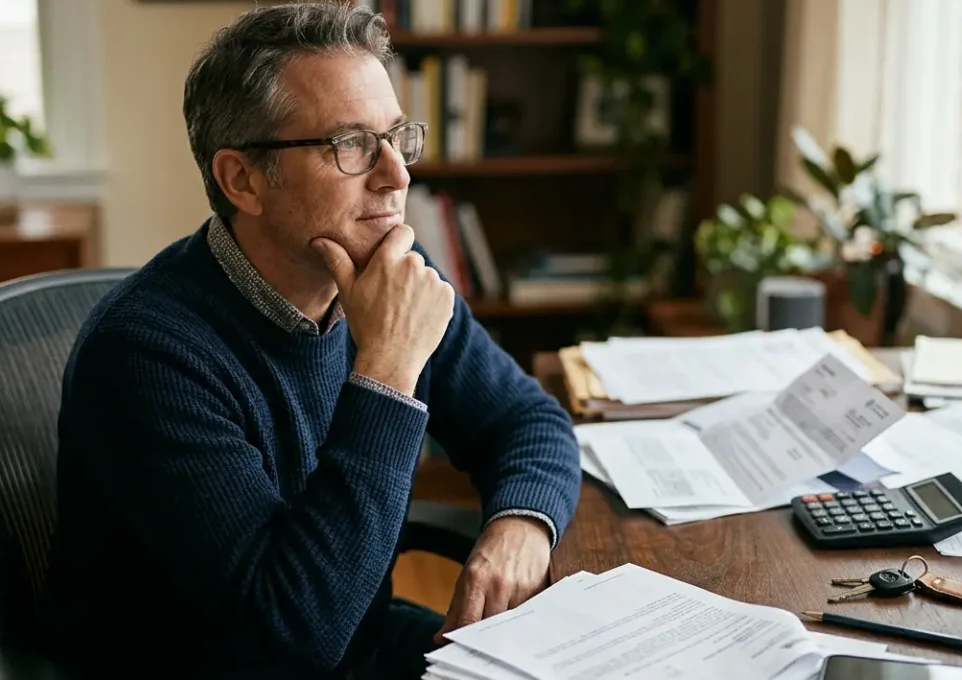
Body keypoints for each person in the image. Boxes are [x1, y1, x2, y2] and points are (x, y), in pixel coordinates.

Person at [37, 3, 581, 678]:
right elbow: (287, 640)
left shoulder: (388, 276)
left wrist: (521, 527)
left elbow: (528, 420)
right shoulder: (145, 357)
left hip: (356, 645)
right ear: (243, 179)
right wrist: (386, 369)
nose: (396, 175)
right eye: (349, 146)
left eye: (396, 137)